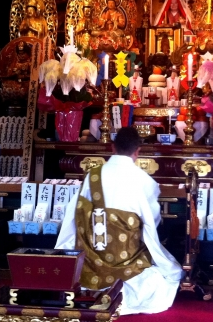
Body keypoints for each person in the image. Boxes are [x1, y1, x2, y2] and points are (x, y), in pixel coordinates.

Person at [56, 127, 182, 315]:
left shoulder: (93, 175)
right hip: (127, 258)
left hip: (92, 258)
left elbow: (75, 214)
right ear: (137, 151)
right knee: (167, 273)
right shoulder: (145, 181)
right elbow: (151, 222)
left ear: (112, 148)